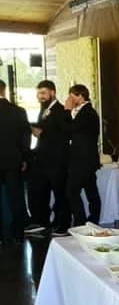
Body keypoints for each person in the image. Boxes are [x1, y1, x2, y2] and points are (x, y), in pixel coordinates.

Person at [25, 79, 70, 238]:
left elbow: (64, 134)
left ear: (52, 92)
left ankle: (62, 224)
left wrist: (42, 133)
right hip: (42, 158)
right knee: (38, 190)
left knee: (60, 193)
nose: (40, 97)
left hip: (57, 160)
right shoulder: (44, 110)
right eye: (38, 94)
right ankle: (40, 221)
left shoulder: (61, 110)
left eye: (43, 93)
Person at [64, 84, 101, 228]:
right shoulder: (84, 112)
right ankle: (91, 222)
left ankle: (82, 222)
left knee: (72, 191)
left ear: (80, 96)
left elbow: (69, 129)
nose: (69, 100)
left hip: (83, 160)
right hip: (84, 160)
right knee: (91, 191)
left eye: (71, 97)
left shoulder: (87, 113)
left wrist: (67, 110)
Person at [0, 79, 31, 244]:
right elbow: (25, 137)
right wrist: (24, 157)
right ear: (4, 91)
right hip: (13, 159)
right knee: (16, 197)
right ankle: (18, 233)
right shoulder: (18, 111)